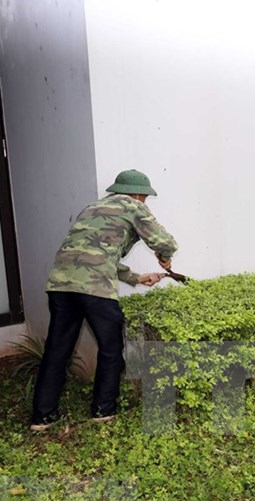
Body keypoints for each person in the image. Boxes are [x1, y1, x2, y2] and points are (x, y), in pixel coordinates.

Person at [30, 169, 178, 431]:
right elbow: (164, 241)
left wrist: (136, 278)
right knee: (111, 349)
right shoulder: (132, 206)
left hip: (61, 286)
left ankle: (43, 417)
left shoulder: (92, 208)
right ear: (136, 194)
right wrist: (165, 257)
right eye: (143, 197)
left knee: (57, 350)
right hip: (95, 289)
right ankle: (103, 410)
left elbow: (92, 255)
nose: (143, 201)